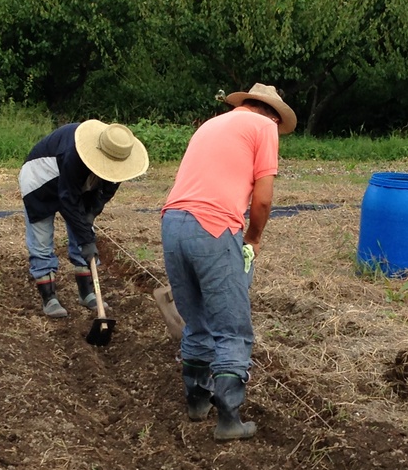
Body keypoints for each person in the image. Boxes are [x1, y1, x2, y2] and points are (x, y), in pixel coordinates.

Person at [160, 83, 296, 441]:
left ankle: (196, 402)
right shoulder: (264, 127)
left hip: (172, 223)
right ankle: (229, 418)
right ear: (273, 114)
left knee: (197, 321)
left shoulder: (211, 124)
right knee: (232, 328)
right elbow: (263, 199)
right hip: (213, 227)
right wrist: (253, 238)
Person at [18, 121, 149, 317]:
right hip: (41, 180)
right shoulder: (75, 153)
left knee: (84, 229)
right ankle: (49, 297)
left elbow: (106, 191)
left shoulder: (119, 156)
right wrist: (86, 240)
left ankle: (87, 293)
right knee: (42, 240)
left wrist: (91, 214)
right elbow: (67, 199)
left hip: (78, 183)